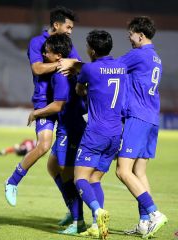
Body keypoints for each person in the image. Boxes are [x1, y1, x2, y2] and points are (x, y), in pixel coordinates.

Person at [4, 6, 81, 211]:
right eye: (68, 26)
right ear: (56, 25)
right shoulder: (37, 42)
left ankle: (73, 212)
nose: (70, 31)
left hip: (64, 103)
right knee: (44, 145)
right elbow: (37, 68)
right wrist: (59, 64)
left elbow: (78, 64)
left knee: (58, 166)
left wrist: (70, 64)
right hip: (44, 102)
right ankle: (12, 181)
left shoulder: (67, 44)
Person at [68, 30, 127, 239]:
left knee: (80, 178)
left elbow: (79, 88)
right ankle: (96, 225)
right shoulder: (122, 67)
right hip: (115, 133)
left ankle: (97, 211)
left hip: (96, 132)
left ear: (91, 50)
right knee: (95, 179)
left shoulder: (90, 69)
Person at [27, 34, 87, 235]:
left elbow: (58, 104)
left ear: (58, 55)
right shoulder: (71, 69)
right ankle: (74, 211)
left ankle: (81, 219)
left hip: (70, 128)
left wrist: (37, 113)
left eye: (47, 52)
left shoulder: (60, 74)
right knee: (53, 166)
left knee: (69, 174)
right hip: (67, 126)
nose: (43, 54)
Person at [115, 16, 168, 239]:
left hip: (137, 117)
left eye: (130, 33)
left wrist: (77, 66)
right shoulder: (156, 57)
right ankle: (144, 223)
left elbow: (109, 68)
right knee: (139, 172)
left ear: (140, 34)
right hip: (152, 119)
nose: (129, 37)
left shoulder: (138, 55)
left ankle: (154, 213)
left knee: (122, 171)